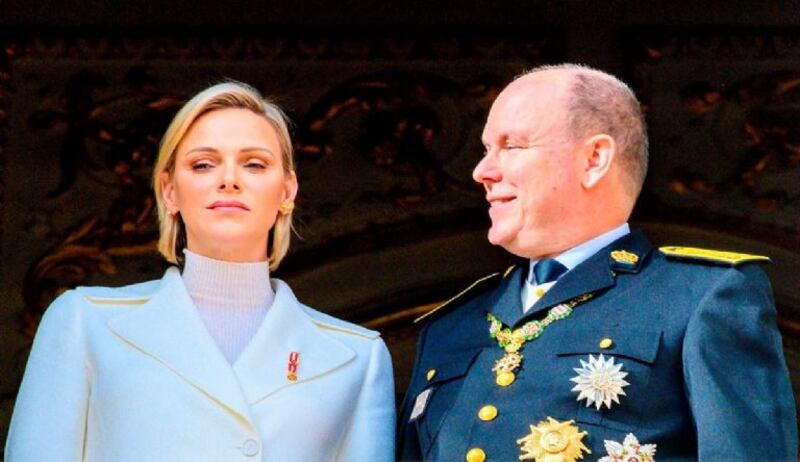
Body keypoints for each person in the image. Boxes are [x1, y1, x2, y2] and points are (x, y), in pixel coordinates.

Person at [397, 64, 797, 462]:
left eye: (512, 146)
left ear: (594, 159)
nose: (481, 171)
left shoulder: (699, 297)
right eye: (486, 150)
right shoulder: (450, 326)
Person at [6, 81, 395, 461]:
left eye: (254, 164)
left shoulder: (357, 358)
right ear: (169, 190)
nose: (229, 180)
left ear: (286, 191)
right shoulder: (83, 322)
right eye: (203, 164)